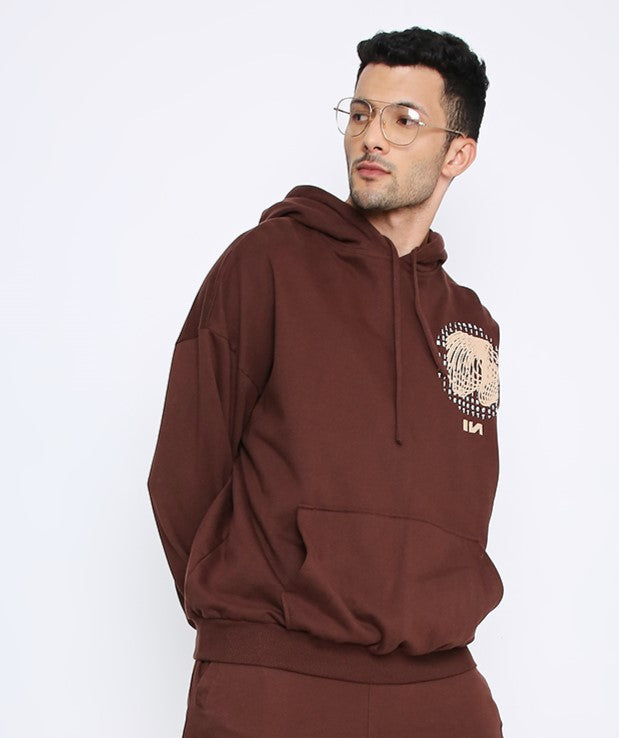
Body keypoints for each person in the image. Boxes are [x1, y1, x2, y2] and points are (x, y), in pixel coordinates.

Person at [147, 26, 505, 738]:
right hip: (274, 682)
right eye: (361, 112)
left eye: (404, 120)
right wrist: (244, 625)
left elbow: (461, 498)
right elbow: (184, 471)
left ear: (457, 153)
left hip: (435, 684)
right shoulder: (266, 264)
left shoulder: (471, 325)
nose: (372, 137)